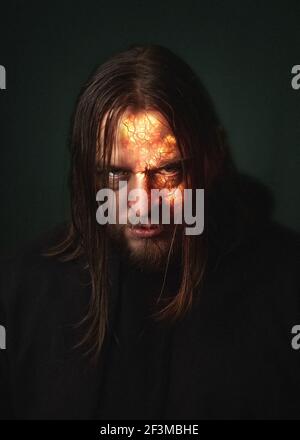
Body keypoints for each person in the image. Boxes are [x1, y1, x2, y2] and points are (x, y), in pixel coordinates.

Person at [0, 44, 299, 420]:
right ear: (86, 174)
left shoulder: (288, 285)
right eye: (116, 174)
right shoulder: (19, 291)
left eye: (169, 170)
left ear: (212, 159)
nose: (142, 204)